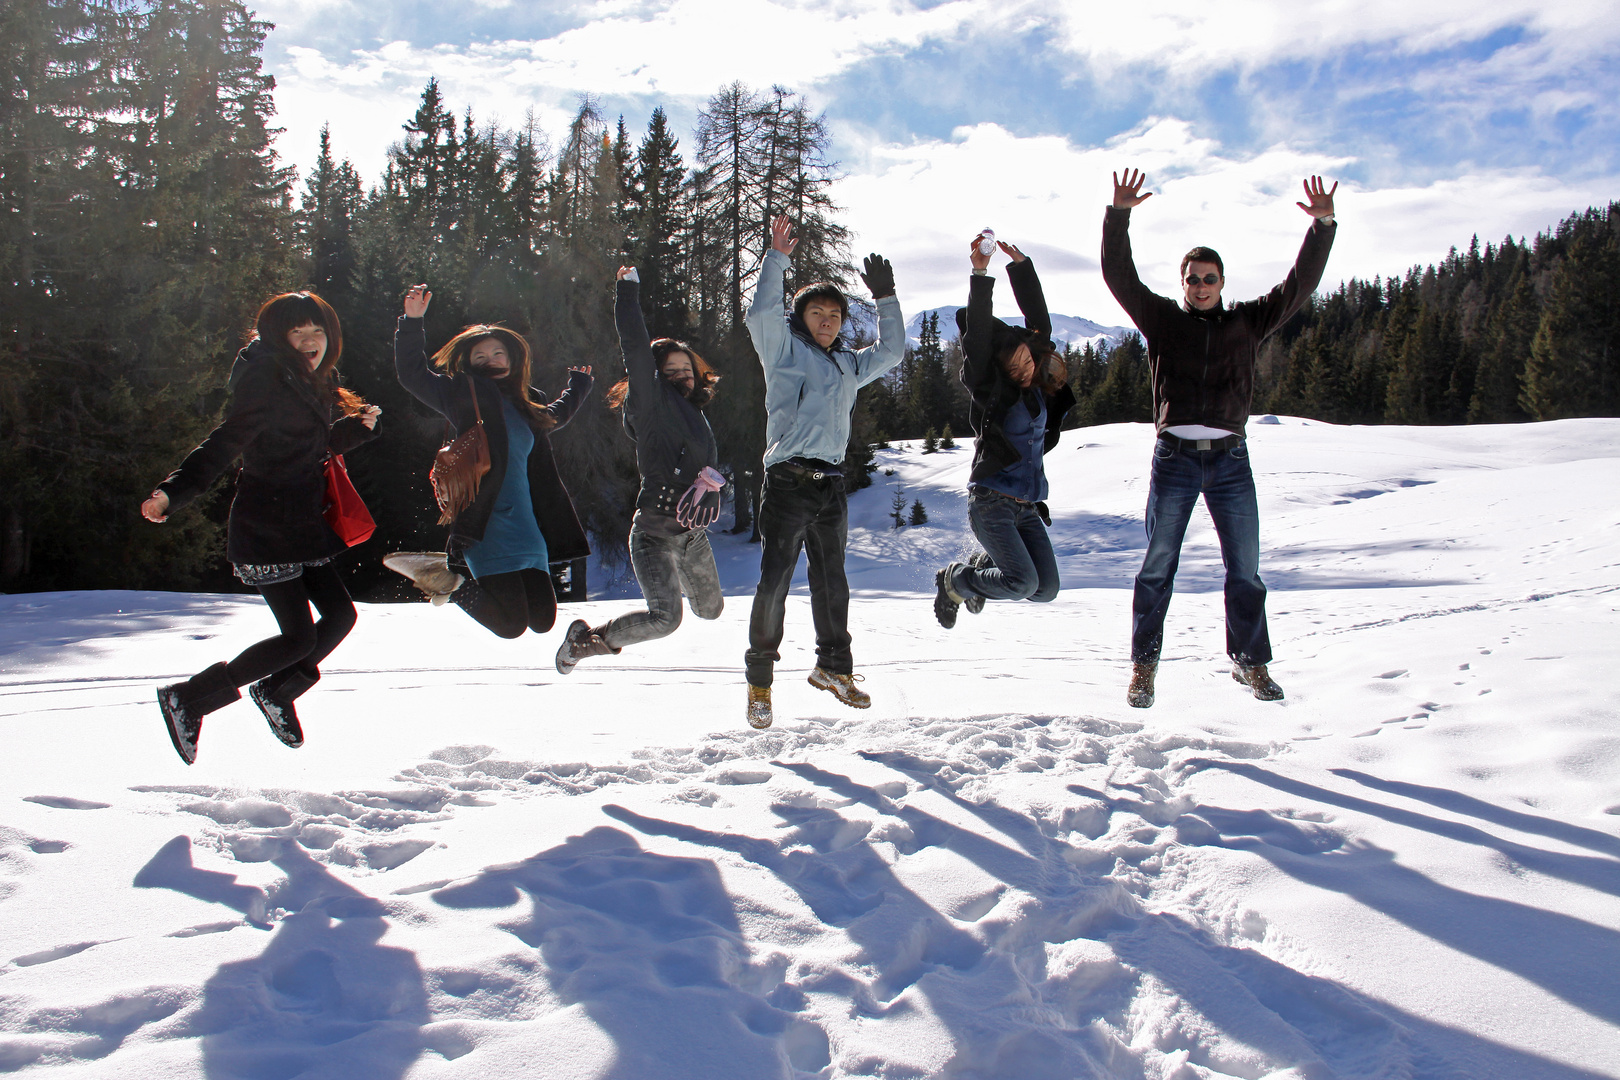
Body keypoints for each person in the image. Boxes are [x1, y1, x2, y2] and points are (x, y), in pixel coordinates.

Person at [1102, 169, 1338, 707]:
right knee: (1158, 564)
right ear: (1182, 283)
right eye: (1193, 279)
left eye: (1210, 278)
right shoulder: (1162, 321)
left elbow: (1299, 285)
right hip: (1176, 460)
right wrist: (1118, 215)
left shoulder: (1248, 323)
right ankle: (1144, 665)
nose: (1202, 286)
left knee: (1245, 568)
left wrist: (1322, 226)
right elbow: (1119, 275)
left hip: (1231, 461)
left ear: (1222, 283)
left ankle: (1249, 662)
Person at [143, 291, 382, 764]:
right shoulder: (266, 377)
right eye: (299, 332)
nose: (311, 340)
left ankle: (277, 690)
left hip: (303, 524)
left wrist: (357, 430)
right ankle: (189, 699)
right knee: (297, 638)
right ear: (279, 336)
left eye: (318, 330)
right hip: (267, 527)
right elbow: (226, 441)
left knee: (340, 617)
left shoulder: (306, 376)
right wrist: (175, 491)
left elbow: (304, 447)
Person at [743, 215, 905, 729]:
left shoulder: (848, 366)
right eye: (818, 312)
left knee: (833, 583)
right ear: (802, 318)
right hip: (789, 480)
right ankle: (760, 682)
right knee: (775, 582)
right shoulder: (783, 348)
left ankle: (833, 668)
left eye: (835, 314)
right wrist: (776, 258)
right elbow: (760, 313)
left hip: (832, 484)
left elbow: (893, 351)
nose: (829, 321)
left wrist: (886, 298)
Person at [385, 284, 593, 641]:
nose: (490, 359)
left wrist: (579, 387)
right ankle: (449, 581)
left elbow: (553, 417)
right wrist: (412, 322)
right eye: (480, 356)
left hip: (528, 525)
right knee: (510, 626)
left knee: (543, 621)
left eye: (498, 353)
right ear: (469, 363)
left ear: (513, 360)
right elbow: (412, 375)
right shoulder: (459, 394)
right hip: (485, 523)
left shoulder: (529, 402)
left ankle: (449, 575)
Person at [554, 266, 725, 673]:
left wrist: (713, 485)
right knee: (666, 619)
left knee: (711, 610)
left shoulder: (697, 417)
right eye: (671, 372)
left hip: (691, 535)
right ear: (655, 378)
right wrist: (627, 293)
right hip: (652, 534)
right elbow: (633, 345)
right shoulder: (651, 405)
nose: (682, 376)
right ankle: (586, 641)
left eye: (687, 370)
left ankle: (676, 578)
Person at [933, 234, 1077, 628]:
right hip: (991, 503)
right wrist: (980, 272)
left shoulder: (1042, 389)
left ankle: (980, 568)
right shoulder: (991, 391)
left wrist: (1021, 267)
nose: (1024, 369)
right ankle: (958, 580)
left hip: (1027, 508)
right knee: (1021, 582)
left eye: (1026, 360)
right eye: (1013, 366)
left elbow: (1040, 325)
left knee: (1045, 589)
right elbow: (978, 334)